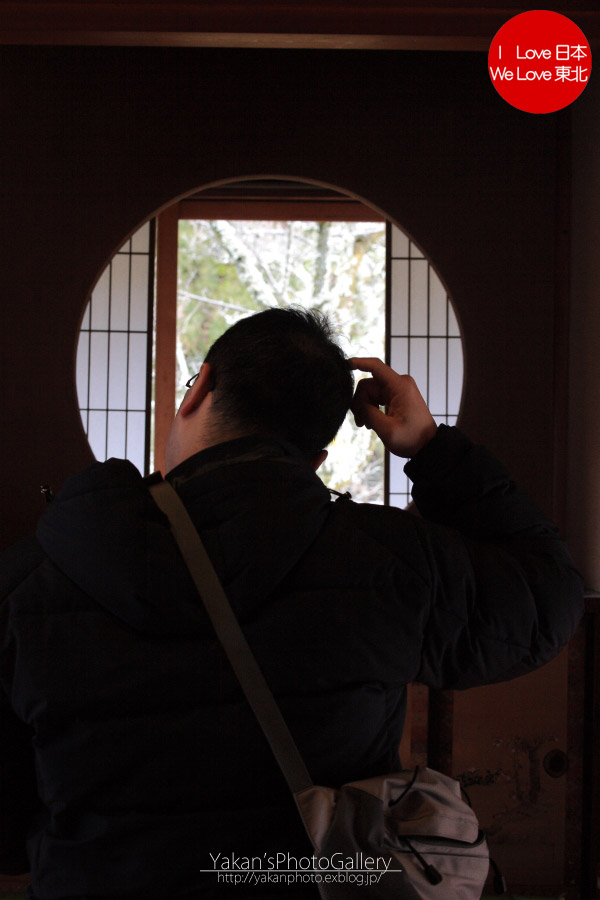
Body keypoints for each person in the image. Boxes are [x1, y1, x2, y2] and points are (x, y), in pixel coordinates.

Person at [0, 307, 583, 899]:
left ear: (198, 388)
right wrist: (431, 448)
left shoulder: (31, 578)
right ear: (315, 460)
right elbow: (548, 602)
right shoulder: (387, 562)